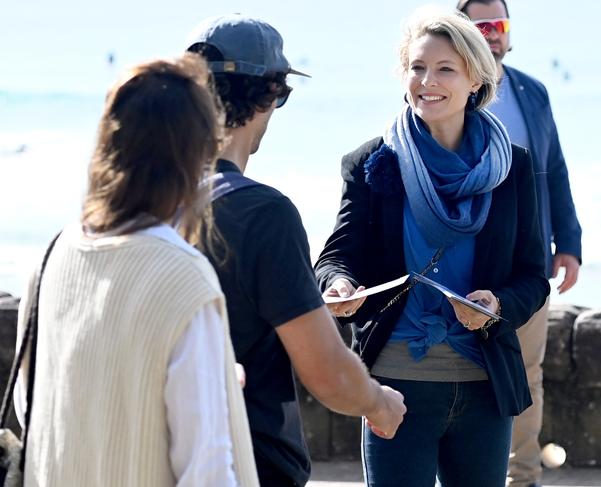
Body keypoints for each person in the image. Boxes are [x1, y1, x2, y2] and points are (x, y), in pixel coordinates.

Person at [314, 6, 550, 487]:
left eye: (445, 68)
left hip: (486, 385)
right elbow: (336, 256)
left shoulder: (513, 168)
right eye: (417, 67)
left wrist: (498, 304)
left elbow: (532, 276)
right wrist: (338, 285)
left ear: (475, 79)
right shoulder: (370, 162)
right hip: (394, 387)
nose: (427, 80)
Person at [13, 53, 257, 486]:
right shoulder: (183, 279)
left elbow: (34, 407)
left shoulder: (52, 255)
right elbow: (206, 468)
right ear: (197, 156)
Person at [185, 14, 406, 487]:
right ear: (270, 94)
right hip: (242, 461)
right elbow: (326, 372)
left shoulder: (133, 202)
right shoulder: (263, 213)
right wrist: (378, 402)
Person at [457, 2, 583, 486]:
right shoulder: (445, 87)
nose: (490, 34)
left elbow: (556, 170)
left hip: (525, 261)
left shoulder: (533, 91)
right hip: (461, 258)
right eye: (479, 25)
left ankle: (522, 477)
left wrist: (568, 243)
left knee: (527, 374)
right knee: (460, 374)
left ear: (509, 34)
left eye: (498, 25)